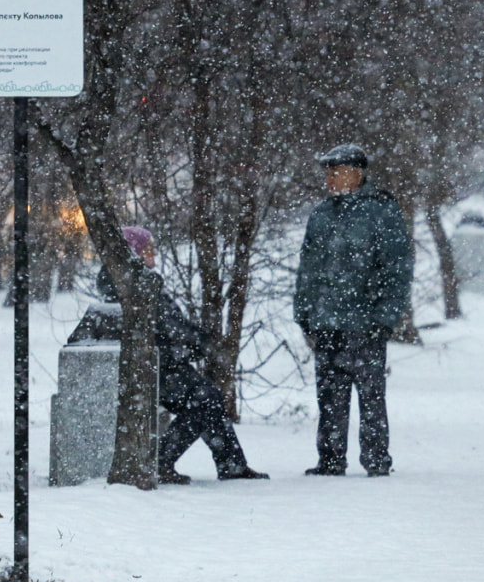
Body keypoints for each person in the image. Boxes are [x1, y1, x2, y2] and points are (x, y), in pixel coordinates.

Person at [97, 226, 268, 484]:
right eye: (146, 248)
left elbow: (169, 326)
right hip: (154, 366)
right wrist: (202, 343)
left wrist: (196, 341)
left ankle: (231, 464)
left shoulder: (129, 281)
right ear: (133, 253)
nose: (152, 252)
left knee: (207, 396)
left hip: (158, 361)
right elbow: (171, 328)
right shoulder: (135, 284)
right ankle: (163, 462)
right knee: (206, 399)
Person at [294, 143, 413, 477]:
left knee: (371, 395)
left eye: (337, 171)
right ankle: (330, 459)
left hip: (365, 322)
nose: (331, 178)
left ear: (357, 174)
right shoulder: (321, 214)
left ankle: (376, 460)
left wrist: (385, 317)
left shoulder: (381, 212)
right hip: (326, 320)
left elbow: (397, 269)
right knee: (329, 395)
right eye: (328, 172)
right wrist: (304, 313)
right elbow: (308, 267)